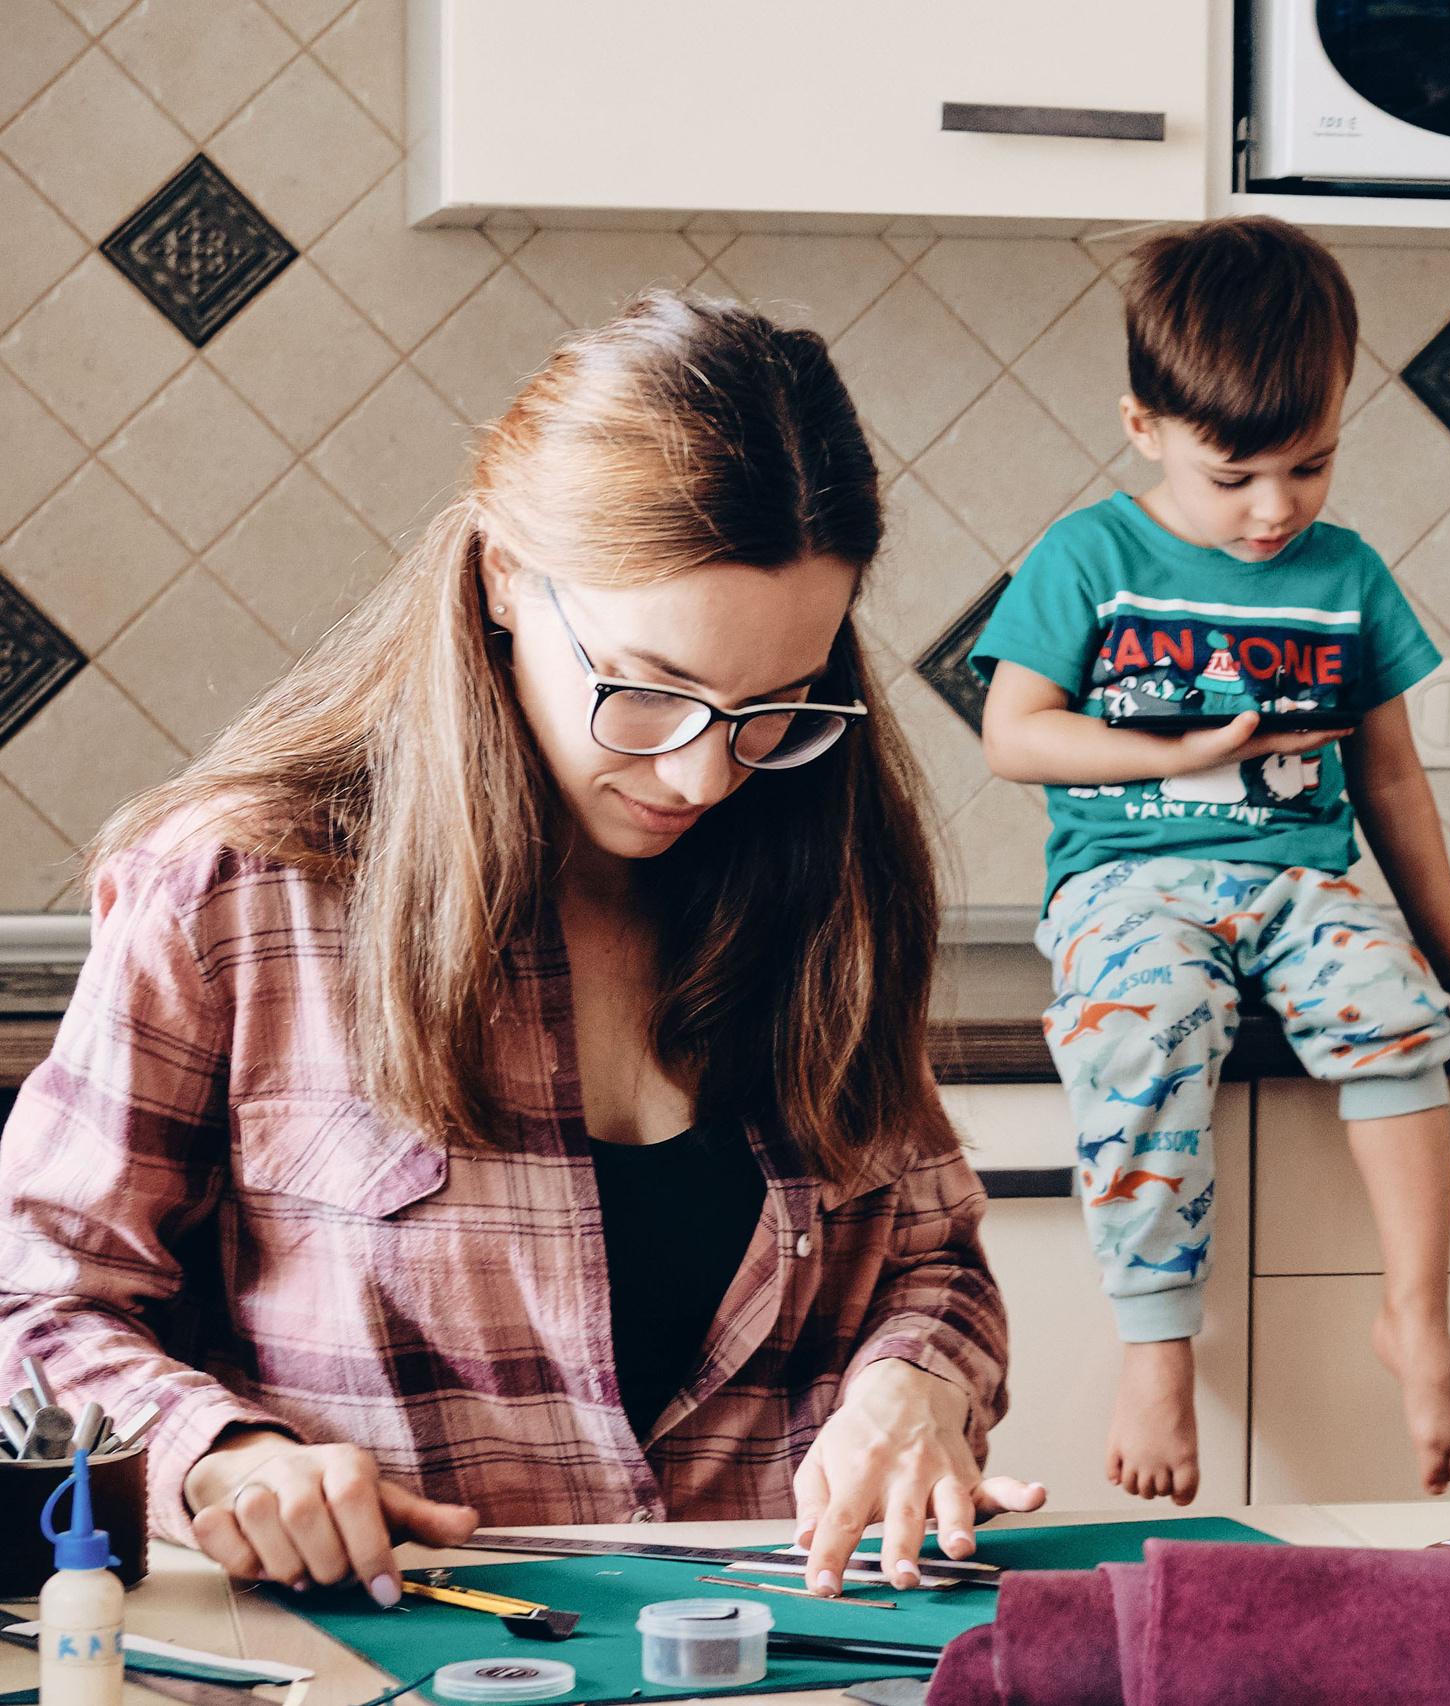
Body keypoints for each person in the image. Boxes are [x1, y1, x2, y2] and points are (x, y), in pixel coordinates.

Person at [0, 292, 1042, 1603]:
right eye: (647, 689)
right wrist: (226, 1457)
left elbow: (932, 1260)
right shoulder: (243, 892)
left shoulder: (823, 870)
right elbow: (36, 1307)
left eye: (774, 704)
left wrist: (916, 1383)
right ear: (501, 575)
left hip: (782, 1659)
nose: (709, 773)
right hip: (390, 1660)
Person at [974, 217, 1450, 1503]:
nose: (1274, 508)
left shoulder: (1346, 575)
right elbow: (1013, 735)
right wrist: (1182, 746)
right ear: (1145, 425)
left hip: (1300, 882)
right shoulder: (1086, 557)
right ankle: (1157, 1347)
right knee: (1145, 1029)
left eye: (1309, 465)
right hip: (1128, 884)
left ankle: (1414, 1320)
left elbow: (1387, 775)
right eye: (1235, 473)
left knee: (1396, 1012)